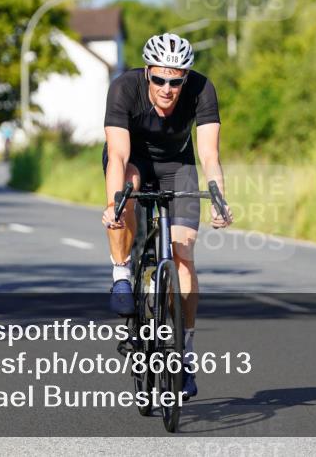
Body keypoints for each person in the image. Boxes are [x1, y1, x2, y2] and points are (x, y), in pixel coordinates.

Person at [101, 32, 233, 399]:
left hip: (178, 165)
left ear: (185, 79)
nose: (167, 88)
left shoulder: (203, 90)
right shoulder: (124, 88)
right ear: (147, 73)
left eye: (176, 81)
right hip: (134, 161)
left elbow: (209, 155)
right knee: (125, 189)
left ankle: (185, 354)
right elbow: (118, 155)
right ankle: (122, 273)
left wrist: (219, 197)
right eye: (159, 79)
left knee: (184, 253)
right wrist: (114, 203)